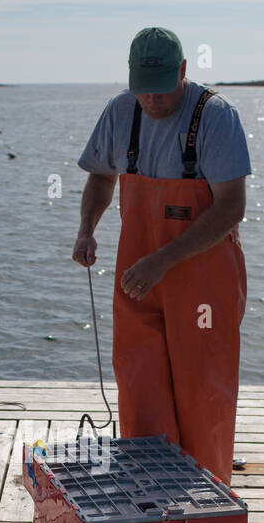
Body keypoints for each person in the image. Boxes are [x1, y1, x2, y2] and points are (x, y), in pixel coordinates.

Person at [73, 27, 250, 485]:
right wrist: (86, 231)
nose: (152, 100)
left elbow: (231, 207)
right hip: (138, 273)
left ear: (184, 72)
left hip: (201, 275)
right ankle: (147, 491)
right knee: (139, 384)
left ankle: (207, 496)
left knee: (201, 390)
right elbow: (100, 178)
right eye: (143, 89)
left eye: (162, 88)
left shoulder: (216, 116)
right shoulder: (119, 112)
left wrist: (164, 260)